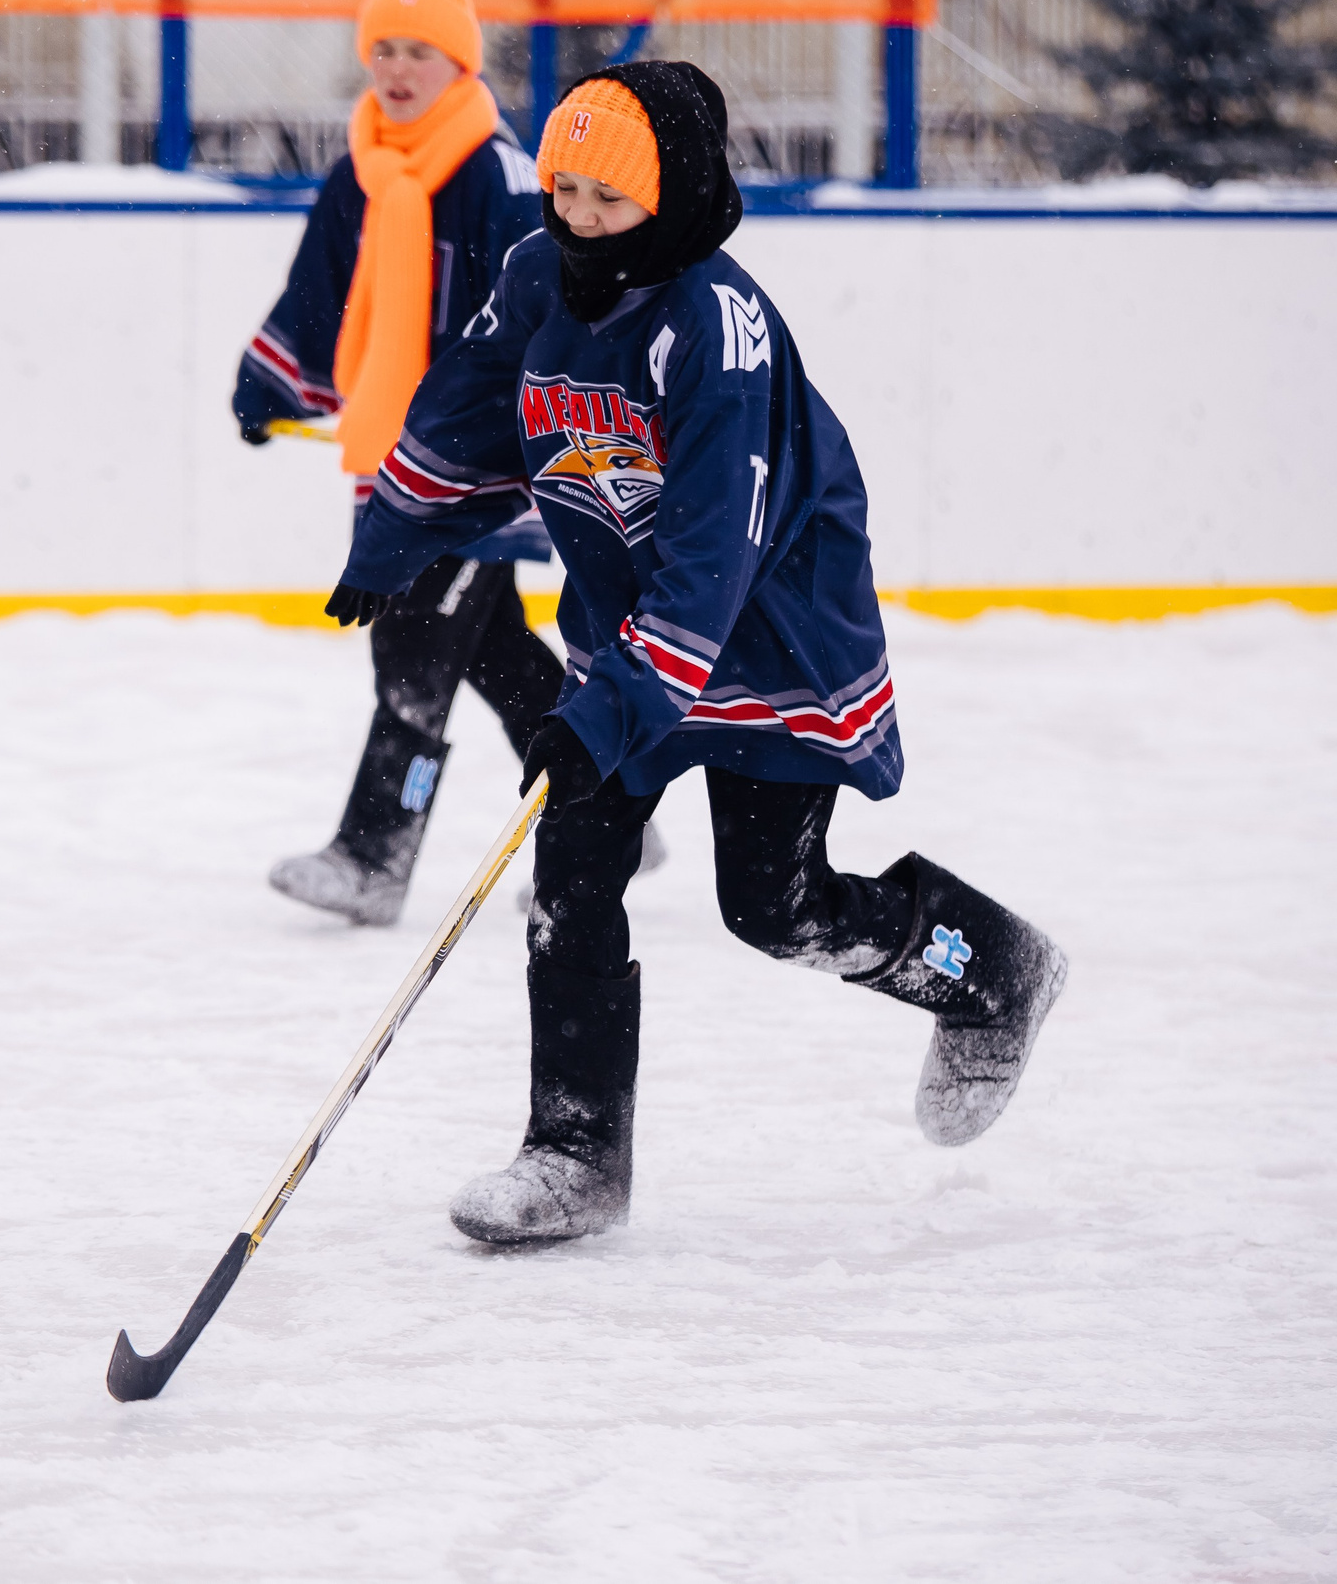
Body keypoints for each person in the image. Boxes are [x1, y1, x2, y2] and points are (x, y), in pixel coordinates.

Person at [325, 63, 1067, 1243]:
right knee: (569, 882)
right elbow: (460, 403)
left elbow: (715, 560)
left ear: (670, 197)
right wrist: (392, 539)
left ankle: (989, 972)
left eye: (603, 200)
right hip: (633, 631)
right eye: (561, 187)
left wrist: (607, 709)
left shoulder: (718, 334)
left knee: (776, 909)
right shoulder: (536, 275)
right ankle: (571, 1154)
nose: (572, 214)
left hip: (769, 639)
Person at [234, 0, 654, 928]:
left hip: (485, 463)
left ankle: (375, 858)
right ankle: (616, 797)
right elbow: (318, 288)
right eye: (382, 47)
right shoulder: (365, 168)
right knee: (497, 654)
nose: (397, 66)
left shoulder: (504, 179)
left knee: (416, 651)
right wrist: (268, 381)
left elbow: (546, 318)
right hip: (395, 455)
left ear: (459, 60)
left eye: (419, 49)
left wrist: (526, 426)